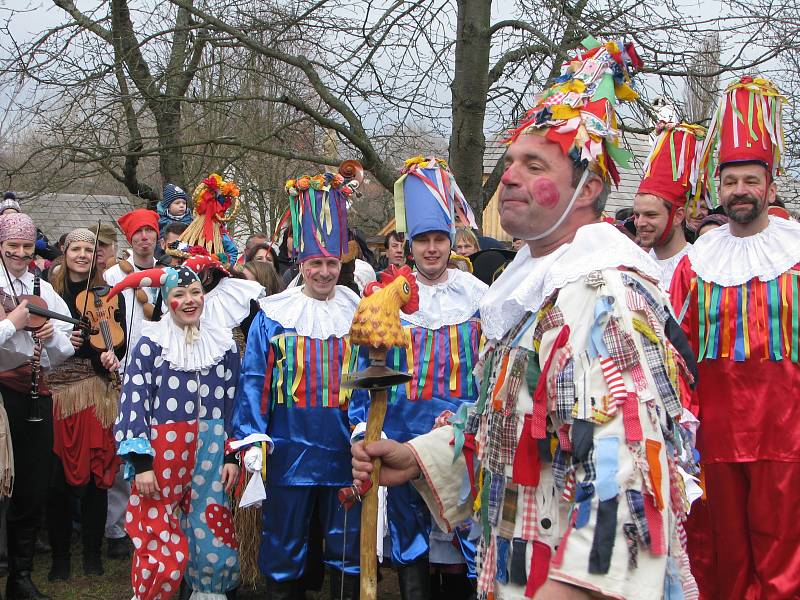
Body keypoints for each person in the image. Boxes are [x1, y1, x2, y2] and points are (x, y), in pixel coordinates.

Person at [352, 38, 699, 599]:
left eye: (532, 164)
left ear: (586, 188)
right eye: (510, 161)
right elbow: (517, 429)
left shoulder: (601, 293)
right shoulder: (530, 292)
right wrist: (418, 456)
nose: (508, 175)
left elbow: (630, 483)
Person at [671, 76, 800, 600]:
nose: (740, 191)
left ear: (770, 187)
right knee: (723, 559)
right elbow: (673, 351)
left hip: (788, 436)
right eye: (731, 182)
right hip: (714, 441)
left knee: (785, 558)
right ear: (716, 189)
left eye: (751, 180)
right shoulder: (694, 264)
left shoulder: (797, 253)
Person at [233, 169, 368, 600]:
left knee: (346, 548)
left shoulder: (358, 313)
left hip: (345, 450)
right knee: (283, 547)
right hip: (287, 453)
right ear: (301, 264)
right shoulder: (272, 314)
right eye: (316, 264)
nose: (324, 273)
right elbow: (254, 378)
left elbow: (367, 378)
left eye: (331, 263)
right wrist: (252, 438)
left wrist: (365, 431)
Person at [379, 156, 488, 599]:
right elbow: (370, 371)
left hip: (459, 439)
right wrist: (366, 425)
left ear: (450, 242)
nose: (431, 249)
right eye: (422, 240)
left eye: (438, 239)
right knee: (411, 545)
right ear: (409, 245)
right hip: (404, 437)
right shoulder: (388, 300)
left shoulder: (480, 297)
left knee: (469, 541)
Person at [110, 264, 241, 600]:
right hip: (162, 448)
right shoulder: (151, 344)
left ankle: (209, 590)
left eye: (195, 293)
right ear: (166, 300)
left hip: (211, 448)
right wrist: (140, 463)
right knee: (156, 524)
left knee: (212, 520)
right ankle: (155, 591)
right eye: (179, 294)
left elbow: (234, 404)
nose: (188, 300)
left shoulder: (224, 345)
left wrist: (231, 454)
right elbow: (134, 403)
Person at [0, 212, 75, 600]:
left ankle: (21, 578)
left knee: (31, 486)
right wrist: (14, 322)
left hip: (33, 393)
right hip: (0, 396)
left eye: (27, 246)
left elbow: (63, 349)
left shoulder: (40, 285)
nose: (20, 253)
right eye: (12, 246)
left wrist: (50, 335)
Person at [45, 228, 125, 581]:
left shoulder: (109, 293)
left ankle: (93, 553)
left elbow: (117, 337)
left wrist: (111, 356)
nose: (81, 254)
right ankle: (61, 556)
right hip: (59, 392)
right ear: (64, 251)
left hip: (96, 390)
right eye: (75, 248)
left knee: (98, 475)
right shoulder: (50, 291)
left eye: (88, 249)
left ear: (98, 255)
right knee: (58, 478)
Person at [102, 207, 160, 560]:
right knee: (124, 447)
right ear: (130, 238)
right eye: (137, 233)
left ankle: (153, 519)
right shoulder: (112, 275)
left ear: (156, 236)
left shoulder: (166, 273)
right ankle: (117, 528)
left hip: (161, 373)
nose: (143, 238)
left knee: (153, 449)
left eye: (149, 232)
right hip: (122, 370)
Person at [633, 123, 704, 291]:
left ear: (678, 216)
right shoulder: (635, 266)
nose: (640, 223)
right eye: (637, 215)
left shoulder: (699, 268)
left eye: (651, 215)